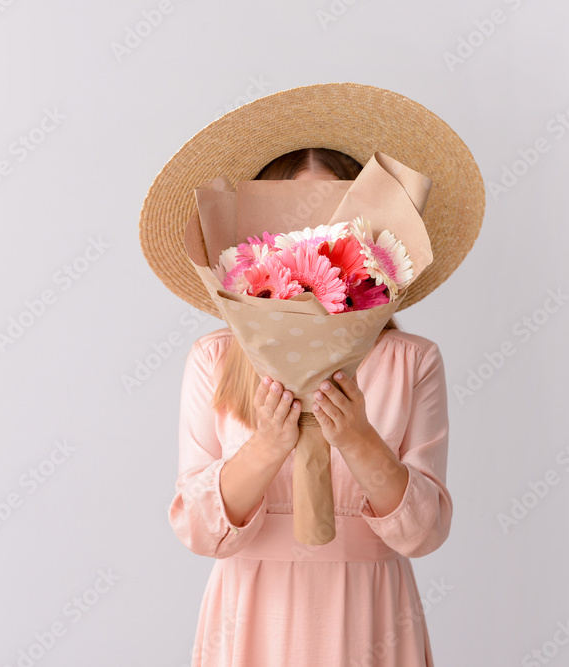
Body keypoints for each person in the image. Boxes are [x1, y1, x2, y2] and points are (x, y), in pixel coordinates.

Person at [168, 147, 453, 666]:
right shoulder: (215, 359)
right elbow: (199, 530)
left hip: (370, 621)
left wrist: (358, 440)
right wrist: (268, 445)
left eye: (334, 222)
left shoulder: (411, 362)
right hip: (252, 620)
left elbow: (423, 532)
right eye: (296, 220)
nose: (315, 244)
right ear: (263, 237)